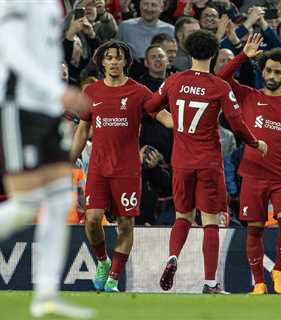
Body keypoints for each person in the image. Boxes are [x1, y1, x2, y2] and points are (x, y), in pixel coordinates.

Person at [145, 29, 267, 294]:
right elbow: (236, 123)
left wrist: (169, 120)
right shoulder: (219, 87)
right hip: (209, 163)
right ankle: (210, 283)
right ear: (213, 54)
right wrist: (256, 142)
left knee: (183, 216)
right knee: (211, 220)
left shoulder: (174, 81)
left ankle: (173, 256)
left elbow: (151, 106)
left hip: (181, 162)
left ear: (188, 52)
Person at [0, 2, 95, 318]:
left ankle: (45, 297)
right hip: (21, 104)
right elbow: (11, 48)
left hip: (48, 108)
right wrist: (56, 88)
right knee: (25, 203)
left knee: (58, 200)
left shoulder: (52, 4)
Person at [218, 34, 281, 295]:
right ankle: (259, 283)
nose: (271, 75)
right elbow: (221, 80)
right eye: (268, 70)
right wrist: (243, 56)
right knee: (254, 229)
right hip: (252, 175)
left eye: (277, 71)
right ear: (263, 71)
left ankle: (277, 270)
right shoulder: (248, 96)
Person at [70, 40, 162, 293]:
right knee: (92, 220)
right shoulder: (92, 93)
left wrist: (185, 123)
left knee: (125, 225)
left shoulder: (139, 91)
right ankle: (102, 261)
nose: (113, 62)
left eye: (118, 58)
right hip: (99, 167)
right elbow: (82, 131)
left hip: (127, 169)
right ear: (102, 62)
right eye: (108, 57)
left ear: (125, 62)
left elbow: (161, 115)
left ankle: (113, 278)